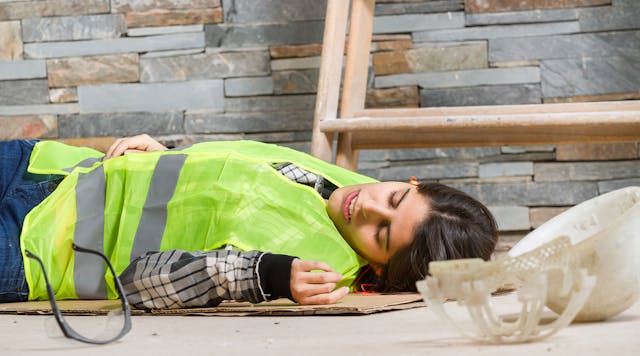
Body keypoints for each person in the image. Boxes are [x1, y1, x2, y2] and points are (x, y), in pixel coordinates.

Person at [0, 135, 498, 309]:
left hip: (30, 248)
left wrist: (264, 276)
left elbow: (142, 284)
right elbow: (237, 169)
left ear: (382, 273)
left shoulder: (314, 267)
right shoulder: (342, 182)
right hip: (48, 166)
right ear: (411, 182)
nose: (367, 207)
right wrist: (169, 155)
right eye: (393, 197)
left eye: (382, 233)